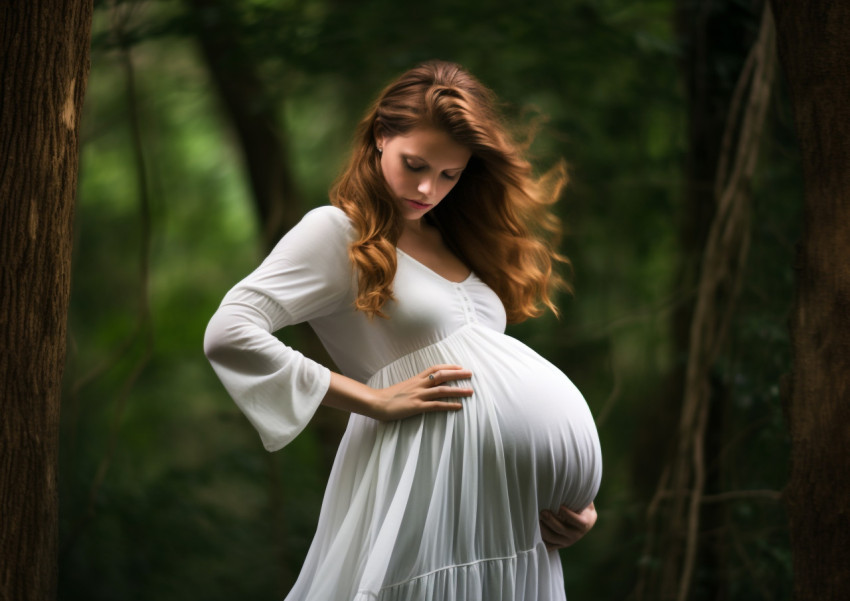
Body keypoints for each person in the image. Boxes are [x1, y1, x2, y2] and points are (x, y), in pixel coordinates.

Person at [204, 60, 602, 601]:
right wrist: (372, 400)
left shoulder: (456, 240)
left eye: (448, 175)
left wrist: (575, 502)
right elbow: (231, 331)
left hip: (508, 524)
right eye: (414, 164)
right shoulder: (336, 233)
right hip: (422, 489)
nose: (426, 187)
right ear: (379, 137)